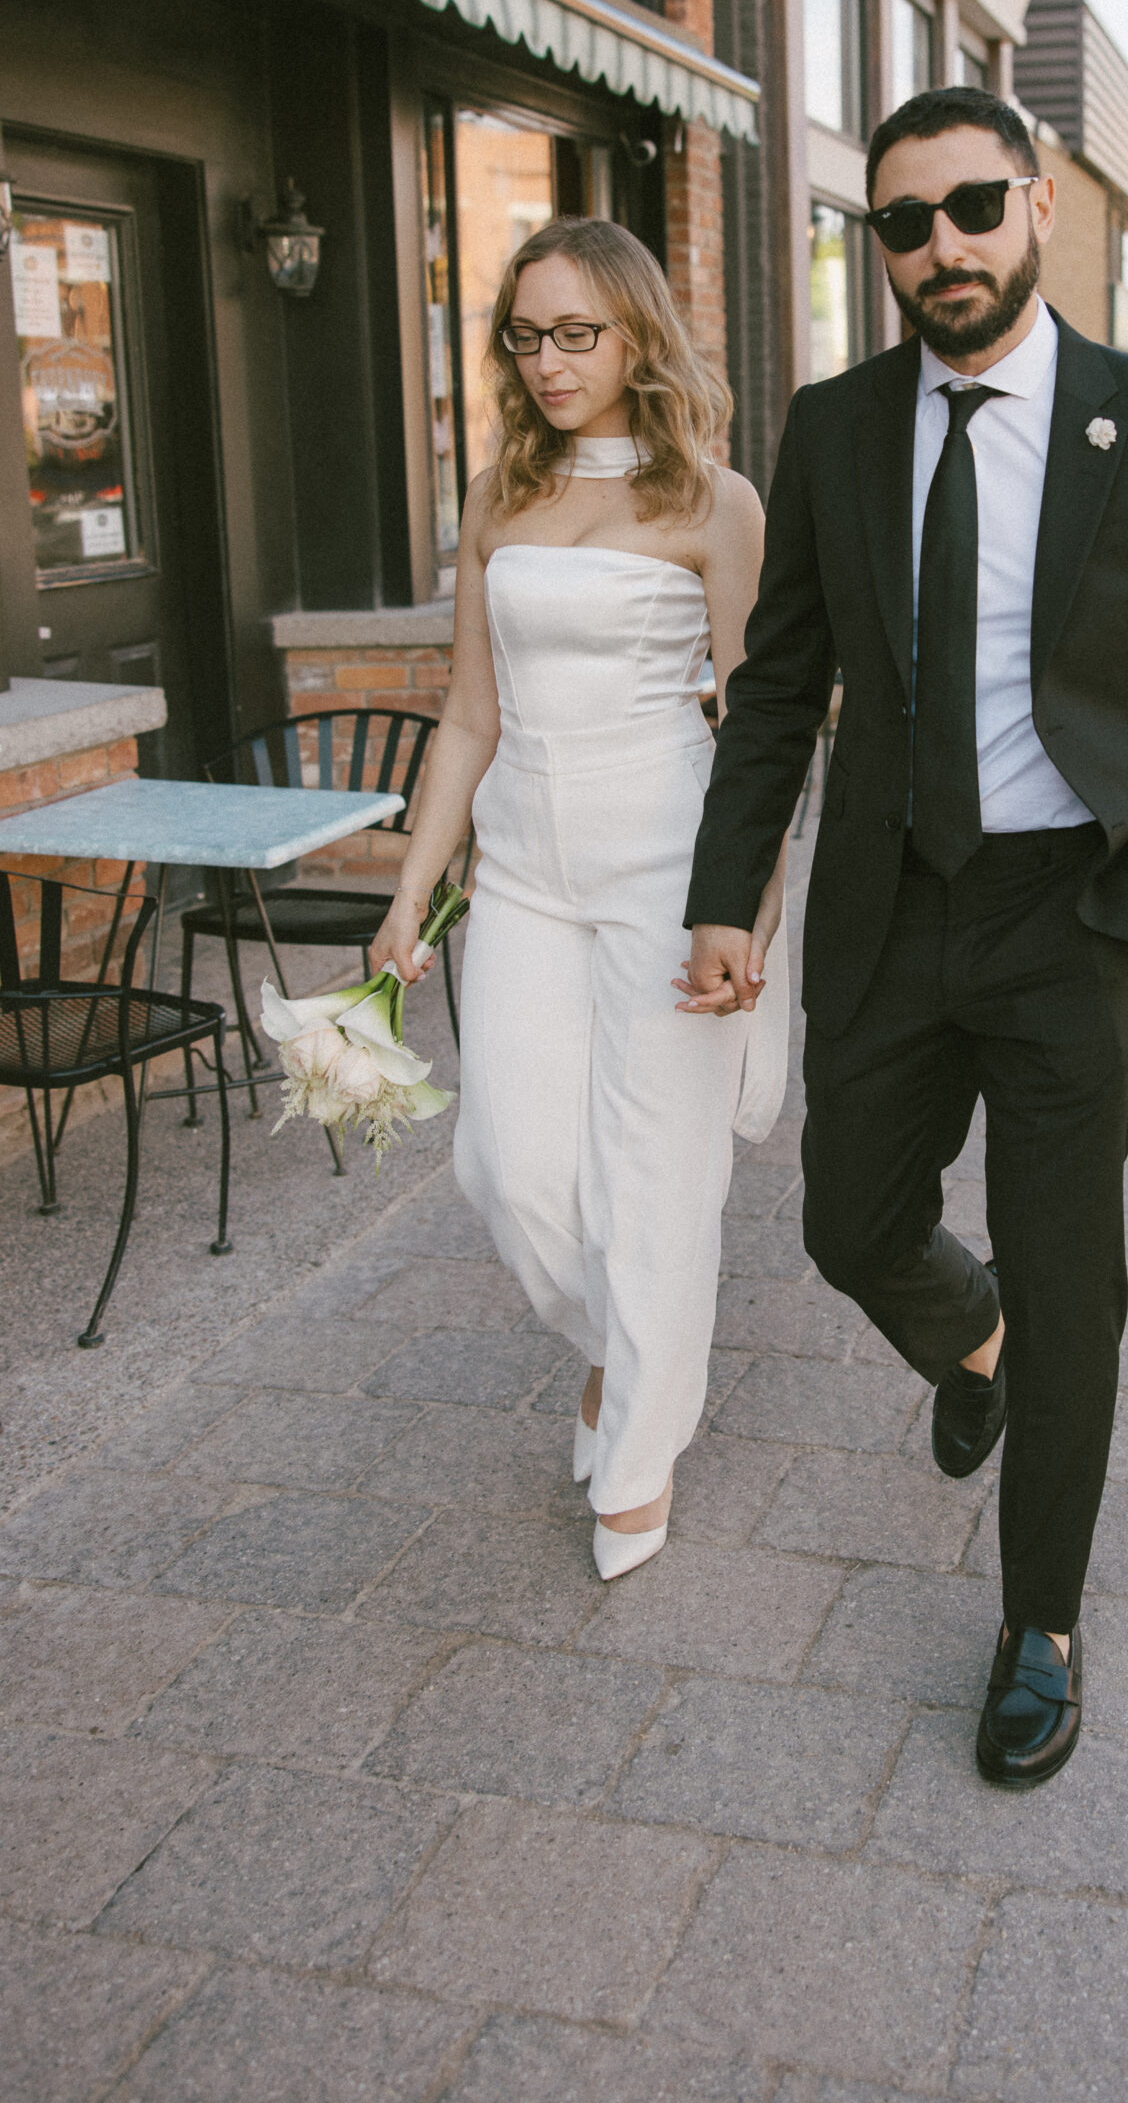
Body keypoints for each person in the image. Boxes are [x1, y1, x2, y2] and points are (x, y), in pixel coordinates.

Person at [679, 89, 1128, 1785]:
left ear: (1038, 206)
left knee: (1070, 1275)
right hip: (888, 904)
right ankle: (973, 1348)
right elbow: (776, 697)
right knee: (845, 1222)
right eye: (905, 222)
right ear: (875, 243)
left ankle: (1042, 1620)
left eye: (974, 207)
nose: (942, 247)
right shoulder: (833, 429)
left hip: (1071, 917)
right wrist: (725, 898)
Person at [373, 217, 787, 1583]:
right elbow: (467, 718)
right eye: (525, 334)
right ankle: (621, 1348)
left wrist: (756, 912)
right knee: (508, 1163)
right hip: (526, 872)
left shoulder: (715, 503)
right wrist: (407, 897)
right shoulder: (501, 495)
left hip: (670, 864)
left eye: (576, 333)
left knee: (654, 1173)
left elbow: (761, 730)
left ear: (636, 336)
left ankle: (642, 1446)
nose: (547, 361)